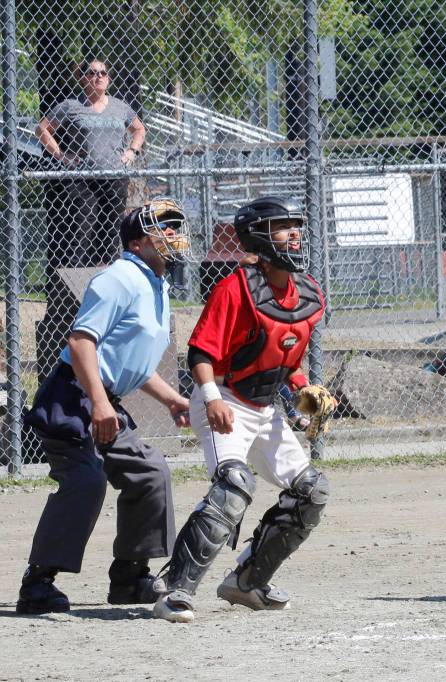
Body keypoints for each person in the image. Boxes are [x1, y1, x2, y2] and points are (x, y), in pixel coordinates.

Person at [153, 196, 335, 624]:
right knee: (234, 483)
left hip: (263, 407)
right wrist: (212, 398)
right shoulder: (235, 287)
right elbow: (201, 353)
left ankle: (248, 581)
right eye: (282, 227)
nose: (294, 234)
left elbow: (286, 364)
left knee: (312, 490)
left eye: (296, 227)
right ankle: (176, 590)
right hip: (222, 397)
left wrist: (304, 400)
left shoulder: (308, 294)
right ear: (258, 236)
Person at [17, 199, 193, 615]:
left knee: (149, 472)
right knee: (86, 480)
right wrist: (98, 403)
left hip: (102, 399)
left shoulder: (156, 284)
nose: (173, 234)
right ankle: (38, 583)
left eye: (175, 227)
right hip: (72, 396)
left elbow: (129, 360)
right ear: (136, 241)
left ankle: (130, 577)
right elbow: (81, 343)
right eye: (162, 229)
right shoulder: (119, 278)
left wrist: (172, 400)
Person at [36, 58, 146, 270]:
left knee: (110, 233)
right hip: (82, 180)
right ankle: (79, 282)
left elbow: (139, 129)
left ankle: (108, 278)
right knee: (81, 231)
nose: (98, 77)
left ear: (108, 79)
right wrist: (61, 155)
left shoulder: (120, 107)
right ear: (83, 78)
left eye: (103, 73)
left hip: (114, 178)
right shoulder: (71, 106)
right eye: (92, 73)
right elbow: (42, 130)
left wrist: (131, 151)